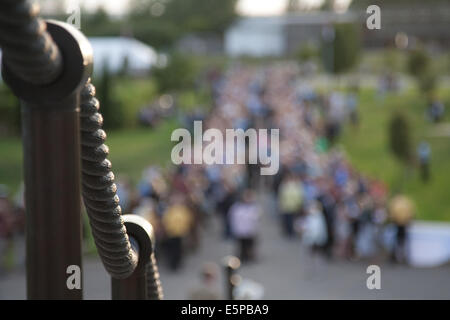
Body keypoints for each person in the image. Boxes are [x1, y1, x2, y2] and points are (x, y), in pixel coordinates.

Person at [162, 194, 193, 271]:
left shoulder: (183, 210)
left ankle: (177, 263)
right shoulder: (170, 210)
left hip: (180, 234)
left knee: (179, 250)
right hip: (171, 234)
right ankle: (172, 264)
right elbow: (166, 221)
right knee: (172, 250)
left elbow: (188, 221)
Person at [229, 190, 260, 263]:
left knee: (249, 245)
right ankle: (242, 257)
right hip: (240, 230)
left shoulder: (253, 207)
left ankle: (249, 256)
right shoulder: (237, 207)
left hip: (250, 231)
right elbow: (233, 218)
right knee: (241, 245)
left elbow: (256, 219)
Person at [388, 194, 415, 264]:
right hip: (403, 223)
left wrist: (392, 219)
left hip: (397, 223)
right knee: (403, 241)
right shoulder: (406, 202)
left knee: (397, 241)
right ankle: (403, 257)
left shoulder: (395, 202)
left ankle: (395, 257)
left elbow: (391, 212)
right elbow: (410, 212)